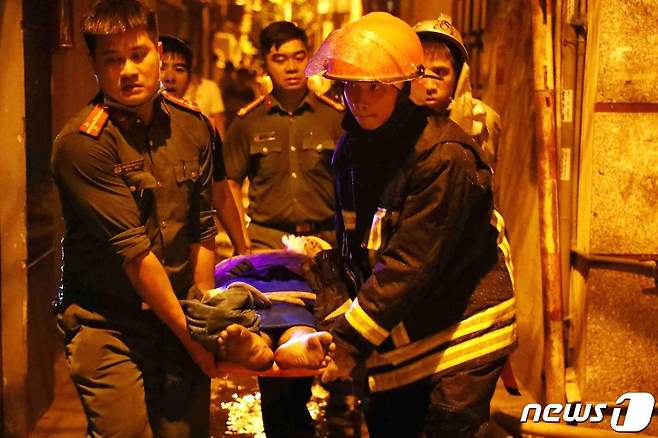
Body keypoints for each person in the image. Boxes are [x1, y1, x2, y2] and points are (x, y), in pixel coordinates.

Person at [305, 12, 517, 437]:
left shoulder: (444, 157)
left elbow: (409, 263)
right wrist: (335, 312)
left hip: (465, 324)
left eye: (374, 87)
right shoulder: (352, 148)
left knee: (447, 426)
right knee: (388, 423)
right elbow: (355, 245)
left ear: (403, 85)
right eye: (349, 85)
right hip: (406, 323)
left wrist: (350, 343)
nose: (359, 100)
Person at [50, 1, 252, 436]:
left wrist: (203, 316)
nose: (128, 70)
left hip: (180, 312)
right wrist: (195, 344)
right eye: (112, 59)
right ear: (95, 65)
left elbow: (202, 227)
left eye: (137, 54)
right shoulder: (82, 145)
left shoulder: (193, 125)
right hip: (107, 324)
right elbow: (135, 256)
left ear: (158, 52)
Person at [222, 20, 345, 438]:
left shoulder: (335, 118)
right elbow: (229, 186)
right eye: (280, 58)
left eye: (298, 57)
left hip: (324, 249)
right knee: (275, 355)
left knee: (331, 350)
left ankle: (324, 418)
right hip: (269, 251)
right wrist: (243, 248)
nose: (291, 67)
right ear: (265, 64)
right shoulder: (248, 123)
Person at [160, 34, 251, 257]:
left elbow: (221, 193)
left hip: (194, 252)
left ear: (190, 78)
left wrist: (242, 248)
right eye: (163, 68)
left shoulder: (200, 127)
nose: (169, 77)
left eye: (179, 70)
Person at [411, 14, 501, 166]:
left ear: (458, 75)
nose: (429, 86)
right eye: (420, 74)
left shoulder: (482, 120)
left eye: (440, 73)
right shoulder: (392, 118)